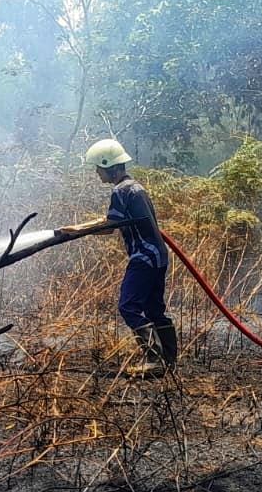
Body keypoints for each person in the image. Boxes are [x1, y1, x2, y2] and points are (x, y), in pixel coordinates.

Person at [57, 138, 178, 375]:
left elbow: (108, 227)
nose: (96, 172)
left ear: (108, 165)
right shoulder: (136, 187)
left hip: (143, 258)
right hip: (158, 256)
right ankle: (169, 362)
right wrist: (76, 228)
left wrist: (78, 232)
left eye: (98, 168)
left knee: (128, 306)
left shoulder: (120, 191)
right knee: (154, 310)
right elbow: (113, 222)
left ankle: (154, 360)